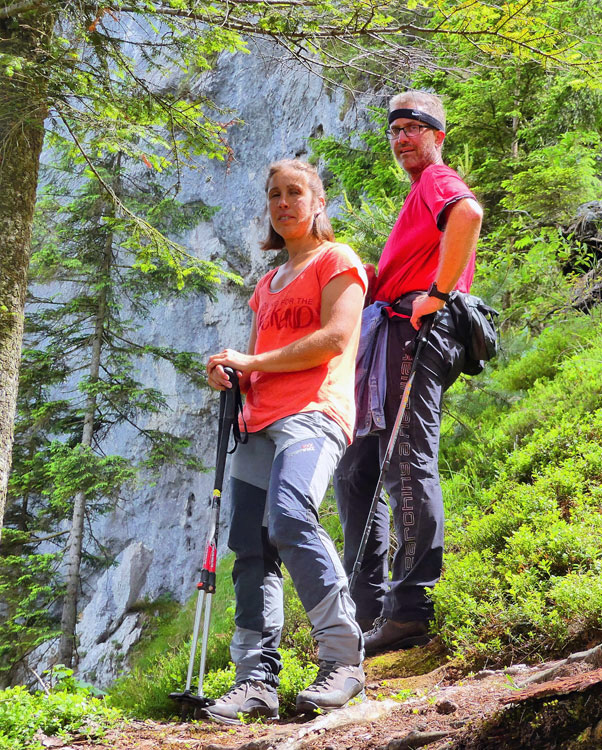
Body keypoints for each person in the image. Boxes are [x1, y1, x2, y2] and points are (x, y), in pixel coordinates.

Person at [203, 159, 367, 723]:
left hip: (314, 413)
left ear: (318, 202)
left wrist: (252, 360)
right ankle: (255, 682)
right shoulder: (267, 284)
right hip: (258, 421)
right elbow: (255, 361)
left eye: (295, 192)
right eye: (274, 194)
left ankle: (344, 659)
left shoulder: (337, 260)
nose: (283, 202)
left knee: (291, 517)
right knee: (250, 547)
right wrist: (233, 374)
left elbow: (334, 338)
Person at [334, 91, 483, 655]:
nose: (401, 139)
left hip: (415, 335)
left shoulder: (437, 181)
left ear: (437, 136)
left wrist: (437, 295)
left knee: (404, 462)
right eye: (395, 130)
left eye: (413, 129)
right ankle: (367, 609)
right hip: (392, 335)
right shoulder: (418, 197)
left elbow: (467, 214)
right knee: (360, 470)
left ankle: (411, 608)